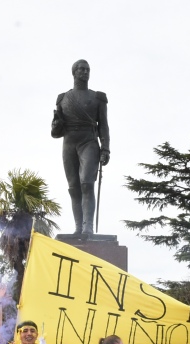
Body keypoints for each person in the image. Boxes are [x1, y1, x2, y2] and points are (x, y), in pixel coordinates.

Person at [51, 59, 110, 237]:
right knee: (73, 186)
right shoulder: (63, 98)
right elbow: (55, 132)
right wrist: (56, 123)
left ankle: (88, 227)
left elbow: (104, 126)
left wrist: (105, 148)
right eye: (81, 69)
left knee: (86, 183)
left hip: (89, 141)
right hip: (69, 142)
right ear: (74, 73)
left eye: (87, 70)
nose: (85, 72)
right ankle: (78, 228)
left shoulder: (97, 97)